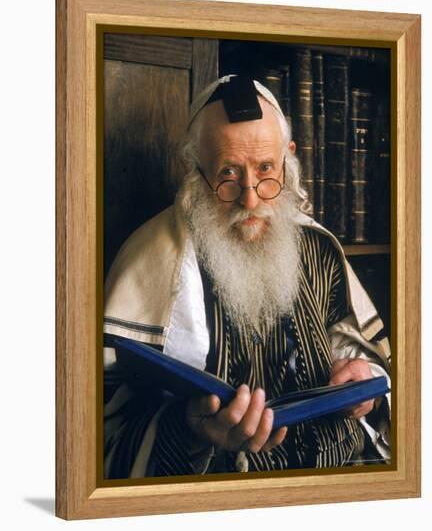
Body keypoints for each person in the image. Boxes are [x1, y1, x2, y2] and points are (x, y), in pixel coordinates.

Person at [103, 75, 391, 478]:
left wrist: (366, 385)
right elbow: (103, 426)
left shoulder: (318, 247)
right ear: (194, 169)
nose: (251, 198)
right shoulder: (151, 257)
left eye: (266, 168)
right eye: (228, 174)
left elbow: (366, 357)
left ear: (288, 159)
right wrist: (190, 429)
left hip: (342, 472)